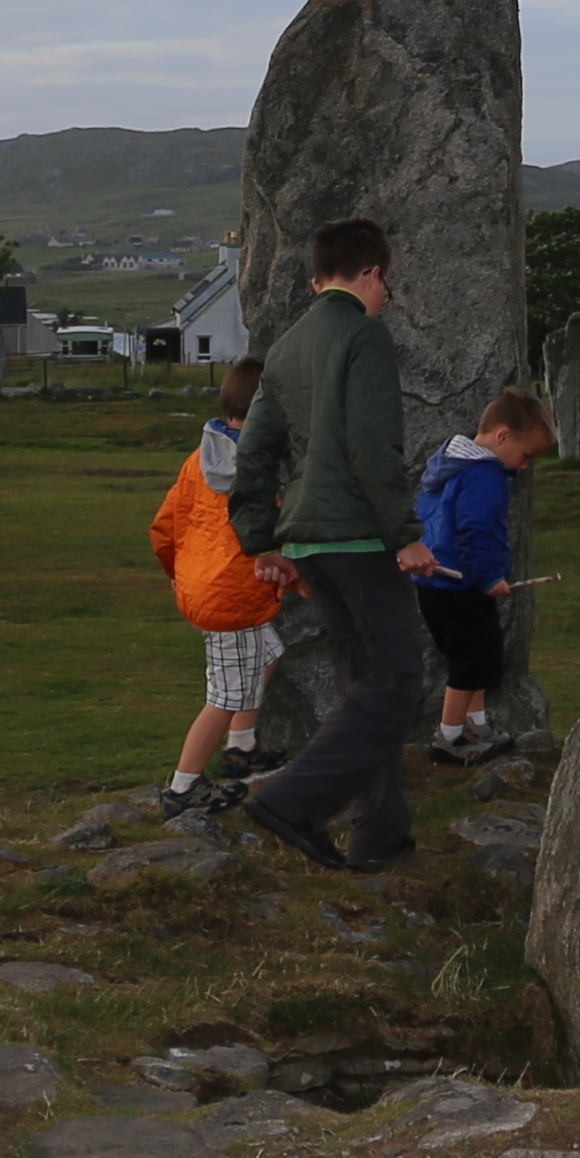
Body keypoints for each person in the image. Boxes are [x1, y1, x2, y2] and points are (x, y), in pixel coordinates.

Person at [229, 216, 424, 872]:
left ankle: (381, 833)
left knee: (367, 683)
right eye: (386, 285)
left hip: (309, 542)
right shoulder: (363, 336)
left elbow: (252, 456)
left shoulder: (283, 349)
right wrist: (406, 536)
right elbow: (374, 447)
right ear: (370, 273)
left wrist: (263, 542)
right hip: (360, 536)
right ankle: (293, 799)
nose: (385, 298)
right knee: (398, 676)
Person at [148, 356, 285, 809]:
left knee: (268, 652)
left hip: (205, 588)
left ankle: (242, 747)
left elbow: (166, 525)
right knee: (224, 697)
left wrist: (177, 574)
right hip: (235, 596)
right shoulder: (260, 469)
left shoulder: (198, 460)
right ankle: (183, 787)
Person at [409, 382, 554, 758]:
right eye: (524, 456)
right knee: (470, 662)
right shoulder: (483, 476)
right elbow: (477, 530)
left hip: (435, 582)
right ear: (502, 435)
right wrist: (490, 576)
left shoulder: (449, 464)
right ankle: (450, 737)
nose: (523, 467)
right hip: (461, 583)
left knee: (482, 656)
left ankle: (477, 725)